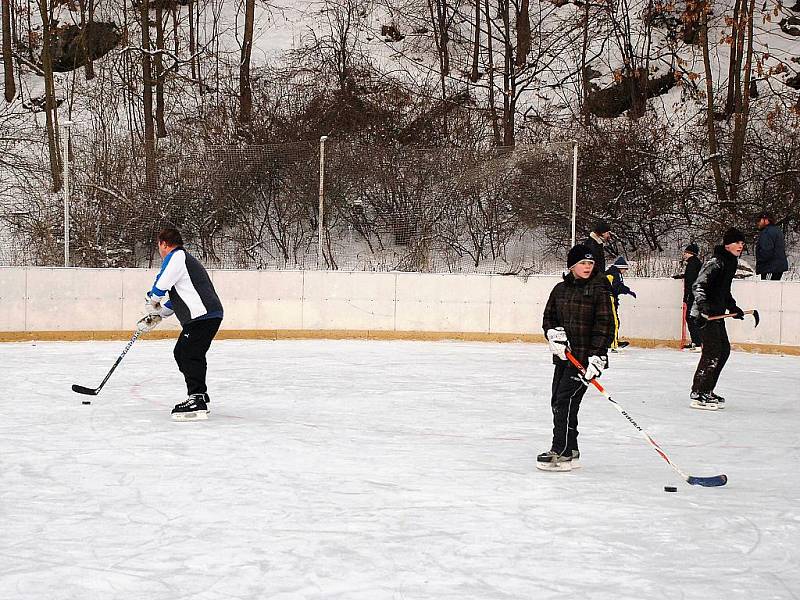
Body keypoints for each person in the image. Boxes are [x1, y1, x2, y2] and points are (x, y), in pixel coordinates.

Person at [539, 244, 614, 471]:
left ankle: (560, 450)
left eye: (590, 263)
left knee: (566, 401)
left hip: (585, 361)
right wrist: (553, 335)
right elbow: (548, 318)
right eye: (582, 263)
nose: (587, 267)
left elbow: (605, 326)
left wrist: (597, 357)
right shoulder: (560, 290)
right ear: (572, 266)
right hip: (565, 359)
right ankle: (571, 449)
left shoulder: (599, 290)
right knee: (559, 401)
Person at [138, 227, 224, 420]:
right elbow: (178, 298)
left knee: (185, 353)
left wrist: (152, 302)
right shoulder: (184, 261)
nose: (159, 250)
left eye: (159, 245)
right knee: (191, 353)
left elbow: (162, 284)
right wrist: (159, 314)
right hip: (207, 316)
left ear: (163, 243)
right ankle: (199, 395)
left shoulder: (177, 257)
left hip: (203, 317)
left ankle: (196, 399)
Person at [689, 228, 746, 411]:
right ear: (727, 244)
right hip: (704, 314)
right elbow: (698, 285)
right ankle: (698, 393)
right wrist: (703, 305)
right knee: (713, 352)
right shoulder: (715, 262)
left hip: (716, 314)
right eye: (737, 242)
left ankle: (707, 390)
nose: (741, 246)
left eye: (742, 243)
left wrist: (733, 307)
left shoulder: (730, 263)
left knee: (724, 350)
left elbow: (723, 290)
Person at [672, 243, 703, 351]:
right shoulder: (695, 263)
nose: (684, 254)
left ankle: (697, 343)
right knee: (692, 318)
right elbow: (693, 276)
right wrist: (682, 276)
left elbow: (691, 281)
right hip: (696, 295)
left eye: (686, 252)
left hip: (693, 295)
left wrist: (687, 296)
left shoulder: (692, 264)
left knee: (690, 318)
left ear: (691, 253)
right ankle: (697, 342)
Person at [605, 256, 636, 351]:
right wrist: (628, 291)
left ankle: (611, 342)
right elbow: (617, 287)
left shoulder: (611, 272)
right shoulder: (615, 273)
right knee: (614, 322)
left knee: (610, 322)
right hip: (609, 299)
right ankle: (613, 345)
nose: (625, 271)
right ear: (621, 267)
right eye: (625, 269)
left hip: (608, 299)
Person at [755, 211, 788, 280]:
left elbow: (766, 251)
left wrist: (760, 260)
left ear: (766, 220)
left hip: (770, 267)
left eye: (759, 220)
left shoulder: (767, 232)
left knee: (767, 288)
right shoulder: (777, 230)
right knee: (772, 288)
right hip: (776, 267)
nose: (757, 223)